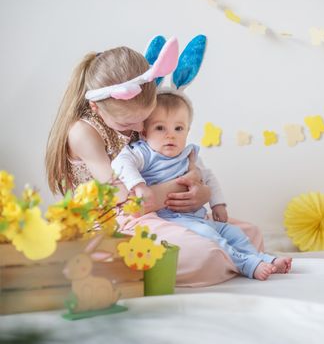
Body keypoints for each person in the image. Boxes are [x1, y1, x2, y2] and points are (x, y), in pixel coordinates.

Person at [45, 37, 267, 286]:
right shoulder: (83, 133)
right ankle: (237, 261)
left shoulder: (133, 111)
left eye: (147, 118)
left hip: (165, 211)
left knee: (251, 234)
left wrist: (202, 191)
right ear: (97, 108)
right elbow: (130, 202)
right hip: (115, 221)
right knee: (204, 255)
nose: (141, 128)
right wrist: (184, 185)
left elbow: (181, 162)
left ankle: (237, 259)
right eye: (129, 124)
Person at [112, 92, 292, 280]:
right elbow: (120, 162)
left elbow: (209, 177)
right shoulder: (144, 153)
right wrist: (139, 185)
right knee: (209, 235)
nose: (170, 135)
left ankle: (261, 258)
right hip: (171, 219)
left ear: (188, 131)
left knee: (233, 232)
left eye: (178, 128)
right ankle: (246, 264)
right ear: (144, 132)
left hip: (197, 217)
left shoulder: (189, 155)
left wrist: (218, 204)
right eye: (160, 128)